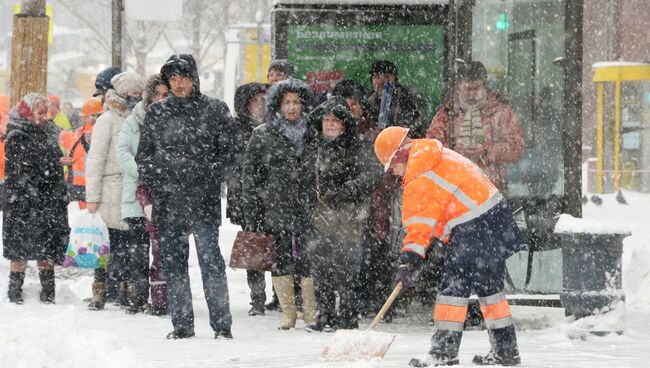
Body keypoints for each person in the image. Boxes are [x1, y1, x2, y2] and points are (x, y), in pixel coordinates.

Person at [374, 126, 525, 367]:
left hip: (471, 227)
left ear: (400, 153)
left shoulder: (418, 174)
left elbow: (419, 228)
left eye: (391, 164)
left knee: (452, 291)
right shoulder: (437, 154)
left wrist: (409, 261)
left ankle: (442, 355)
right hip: (496, 219)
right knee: (490, 291)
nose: (393, 171)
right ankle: (506, 352)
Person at [136, 54, 235, 340]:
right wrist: (162, 177)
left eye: (184, 78)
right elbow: (144, 157)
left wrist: (207, 173)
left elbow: (229, 153)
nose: (178, 84)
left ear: (194, 79)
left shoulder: (215, 111)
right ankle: (181, 324)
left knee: (210, 262)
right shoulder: (157, 113)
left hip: (202, 199)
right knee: (174, 265)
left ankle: (221, 324)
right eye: (173, 79)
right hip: (169, 200)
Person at [241, 78, 318, 331]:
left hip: (308, 205)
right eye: (287, 102)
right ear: (278, 105)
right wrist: (252, 210)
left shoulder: (313, 132)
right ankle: (288, 312)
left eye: (296, 102)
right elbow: (250, 175)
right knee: (280, 258)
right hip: (275, 205)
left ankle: (309, 310)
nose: (292, 107)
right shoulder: (263, 134)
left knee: (309, 258)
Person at [303, 96, 381, 331]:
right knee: (321, 267)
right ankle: (324, 315)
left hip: (351, 216)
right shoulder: (314, 147)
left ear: (345, 124)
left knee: (347, 269)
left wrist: (348, 190)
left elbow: (372, 175)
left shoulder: (360, 145)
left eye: (335, 120)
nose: (329, 124)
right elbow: (304, 179)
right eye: (326, 120)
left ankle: (347, 316)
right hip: (321, 216)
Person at [85, 71, 146, 311]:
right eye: (130, 94)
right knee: (106, 245)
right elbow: (95, 160)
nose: (134, 98)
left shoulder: (141, 117)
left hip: (132, 190)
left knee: (130, 245)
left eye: (138, 94)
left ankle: (126, 290)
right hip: (111, 190)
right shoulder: (107, 120)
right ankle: (100, 289)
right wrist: (93, 197)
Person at [3, 93, 69, 304]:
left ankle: (48, 292)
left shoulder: (49, 130)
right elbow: (24, 163)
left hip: (47, 199)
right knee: (19, 250)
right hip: (22, 200)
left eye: (45, 112)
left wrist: (57, 162)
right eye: (38, 112)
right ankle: (15, 292)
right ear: (27, 110)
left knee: (46, 248)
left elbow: (46, 159)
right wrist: (55, 161)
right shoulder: (16, 132)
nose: (42, 116)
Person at [116, 73, 170, 315]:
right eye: (156, 94)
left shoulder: (173, 119)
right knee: (137, 251)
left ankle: (160, 298)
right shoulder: (134, 120)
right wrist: (142, 172)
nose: (160, 99)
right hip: (135, 194)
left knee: (160, 252)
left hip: (163, 194)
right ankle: (138, 298)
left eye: (164, 95)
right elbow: (123, 151)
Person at [426, 61, 524, 193]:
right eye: (467, 89)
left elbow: (517, 148)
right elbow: (430, 148)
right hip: (454, 191)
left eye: (476, 89)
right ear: (459, 87)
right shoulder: (446, 114)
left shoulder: (501, 112)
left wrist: (486, 151)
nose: (471, 95)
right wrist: (453, 152)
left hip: (491, 190)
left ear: (485, 86)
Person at [226, 82, 268, 316]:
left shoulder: (273, 126)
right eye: (255, 101)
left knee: (276, 246)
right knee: (254, 245)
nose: (260, 106)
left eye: (264, 100)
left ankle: (279, 297)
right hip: (246, 196)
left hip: (273, 196)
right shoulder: (236, 129)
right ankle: (258, 297)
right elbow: (231, 165)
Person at [59, 97, 104, 209]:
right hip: (91, 188)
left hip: (78, 188)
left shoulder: (82, 134)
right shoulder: (80, 133)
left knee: (81, 221)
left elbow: (64, 138)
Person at [366, 60, 429, 138]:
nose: (381, 81)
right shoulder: (368, 101)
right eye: (377, 77)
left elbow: (419, 122)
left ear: (395, 79)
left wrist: (400, 135)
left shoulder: (408, 97)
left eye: (386, 76)